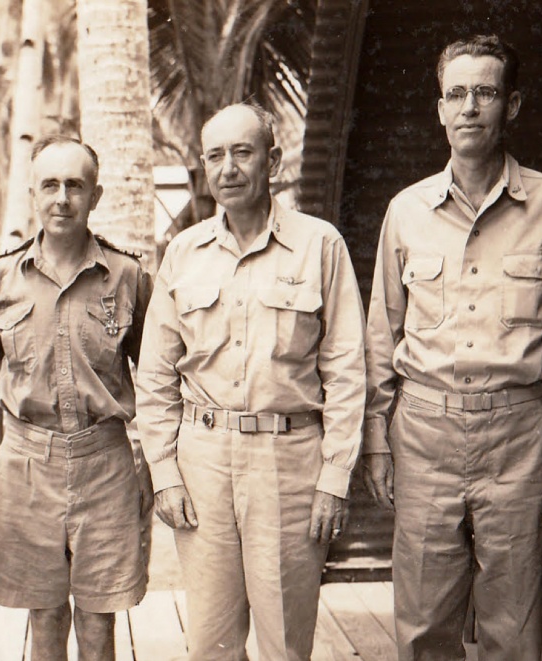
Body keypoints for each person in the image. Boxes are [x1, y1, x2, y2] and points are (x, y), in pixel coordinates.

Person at [362, 35, 542, 660]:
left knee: (513, 627)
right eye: (457, 94)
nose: (470, 107)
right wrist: (376, 440)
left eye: (486, 93)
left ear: (511, 105)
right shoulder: (405, 210)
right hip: (424, 433)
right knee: (422, 625)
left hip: (520, 435)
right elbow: (381, 335)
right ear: (439, 109)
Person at [136, 103, 366, 660]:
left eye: (243, 152)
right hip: (203, 461)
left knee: (285, 641)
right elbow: (155, 377)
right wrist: (164, 474)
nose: (229, 168)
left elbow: (347, 370)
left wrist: (334, 478)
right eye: (215, 155)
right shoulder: (184, 253)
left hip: (288, 463)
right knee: (211, 644)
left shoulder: (320, 245)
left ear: (273, 159)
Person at [0, 135, 153, 660]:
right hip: (28, 462)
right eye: (50, 185)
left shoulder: (127, 275)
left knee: (98, 621)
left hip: (105, 462)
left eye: (75, 185)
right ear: (32, 193)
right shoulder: (2, 276)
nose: (62, 198)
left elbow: (155, 375)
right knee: (44, 615)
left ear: (96, 194)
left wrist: (150, 461)